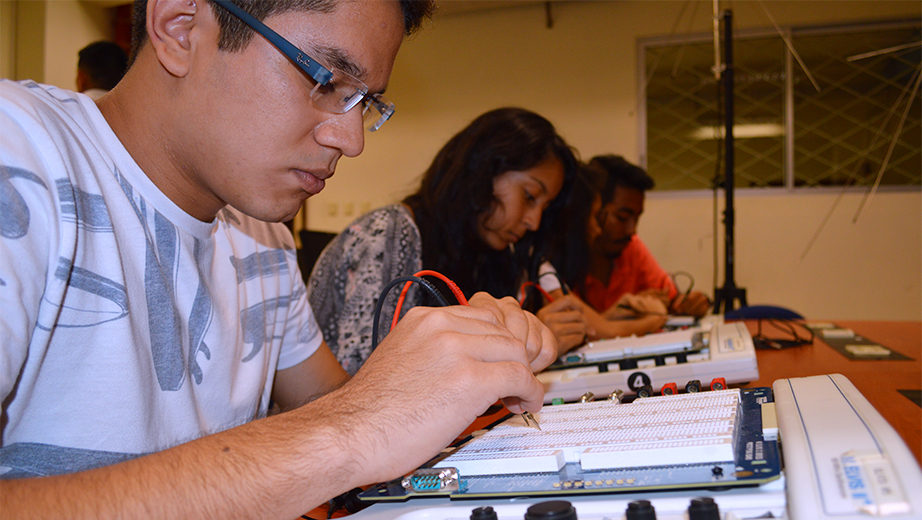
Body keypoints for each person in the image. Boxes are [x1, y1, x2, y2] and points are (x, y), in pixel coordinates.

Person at [0, 0, 558, 518]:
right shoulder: (19, 156)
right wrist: (350, 427)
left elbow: (332, 402)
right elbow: (343, 421)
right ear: (180, 27)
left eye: (365, 102)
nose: (351, 139)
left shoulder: (257, 232)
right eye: (326, 79)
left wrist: (452, 371)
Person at [307, 107, 589, 374]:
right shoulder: (390, 232)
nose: (534, 222)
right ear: (482, 172)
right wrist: (519, 348)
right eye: (529, 195)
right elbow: (367, 376)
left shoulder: (490, 255)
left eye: (544, 207)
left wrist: (531, 339)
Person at [540, 162, 669, 338]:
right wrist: (657, 316)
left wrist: (609, 316)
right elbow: (600, 331)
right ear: (573, 220)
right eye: (594, 217)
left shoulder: (630, 246)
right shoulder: (542, 268)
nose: (597, 228)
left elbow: (593, 327)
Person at [582, 155, 711, 318]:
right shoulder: (561, 258)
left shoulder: (630, 247)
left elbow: (671, 299)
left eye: (636, 218)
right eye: (622, 217)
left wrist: (687, 304)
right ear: (592, 209)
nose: (632, 230)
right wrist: (620, 314)